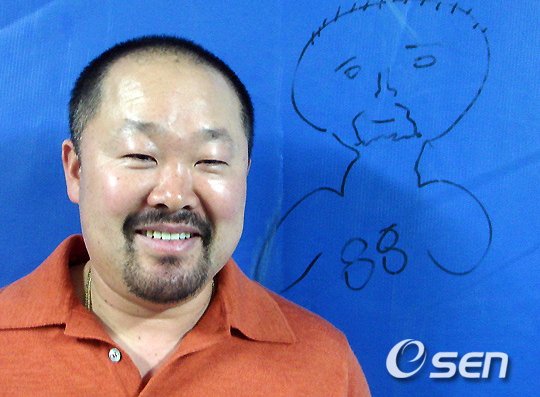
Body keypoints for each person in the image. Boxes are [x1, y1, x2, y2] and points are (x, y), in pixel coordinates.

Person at [0, 35, 371, 396]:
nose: (174, 196)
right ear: (76, 171)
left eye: (210, 160)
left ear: (243, 175)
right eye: (140, 156)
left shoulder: (324, 366)